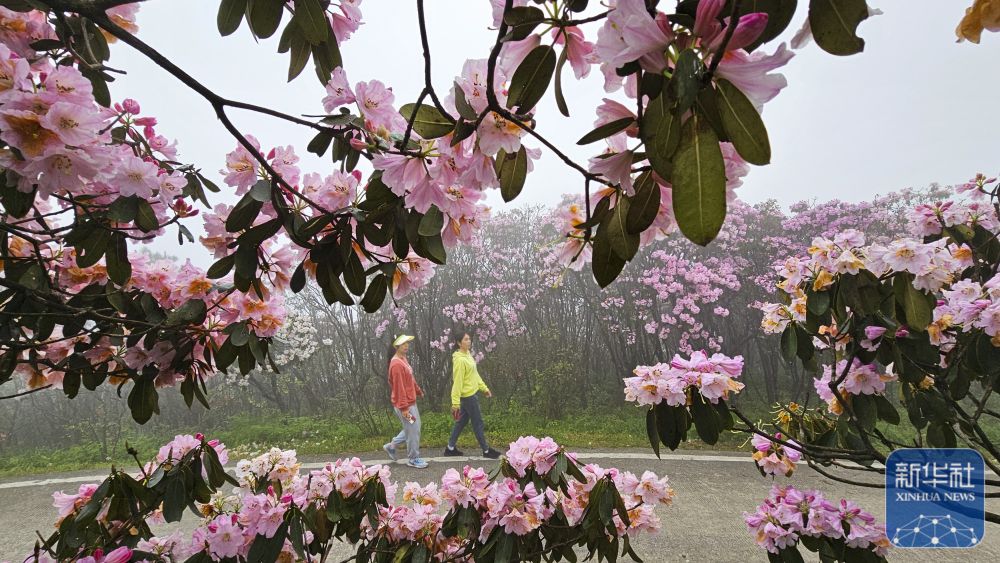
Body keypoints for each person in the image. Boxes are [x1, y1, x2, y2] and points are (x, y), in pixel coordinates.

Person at [444, 332, 502, 459]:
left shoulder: (468, 355)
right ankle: (486, 450)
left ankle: (450, 448)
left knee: (461, 422)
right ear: (459, 343)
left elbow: (474, 375)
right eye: (466, 339)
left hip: (471, 393)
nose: (469, 341)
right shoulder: (460, 360)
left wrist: (484, 388)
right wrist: (455, 403)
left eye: (469, 339)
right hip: (469, 397)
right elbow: (457, 382)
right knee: (478, 423)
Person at [383, 334, 428, 469]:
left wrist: (418, 391)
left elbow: (410, 379)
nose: (407, 345)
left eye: (407, 343)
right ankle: (413, 459)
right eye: (403, 343)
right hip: (405, 405)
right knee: (413, 429)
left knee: (413, 427)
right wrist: (404, 408)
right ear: (396, 346)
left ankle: (392, 446)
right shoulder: (396, 364)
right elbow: (399, 388)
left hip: (409, 402)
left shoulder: (403, 359)